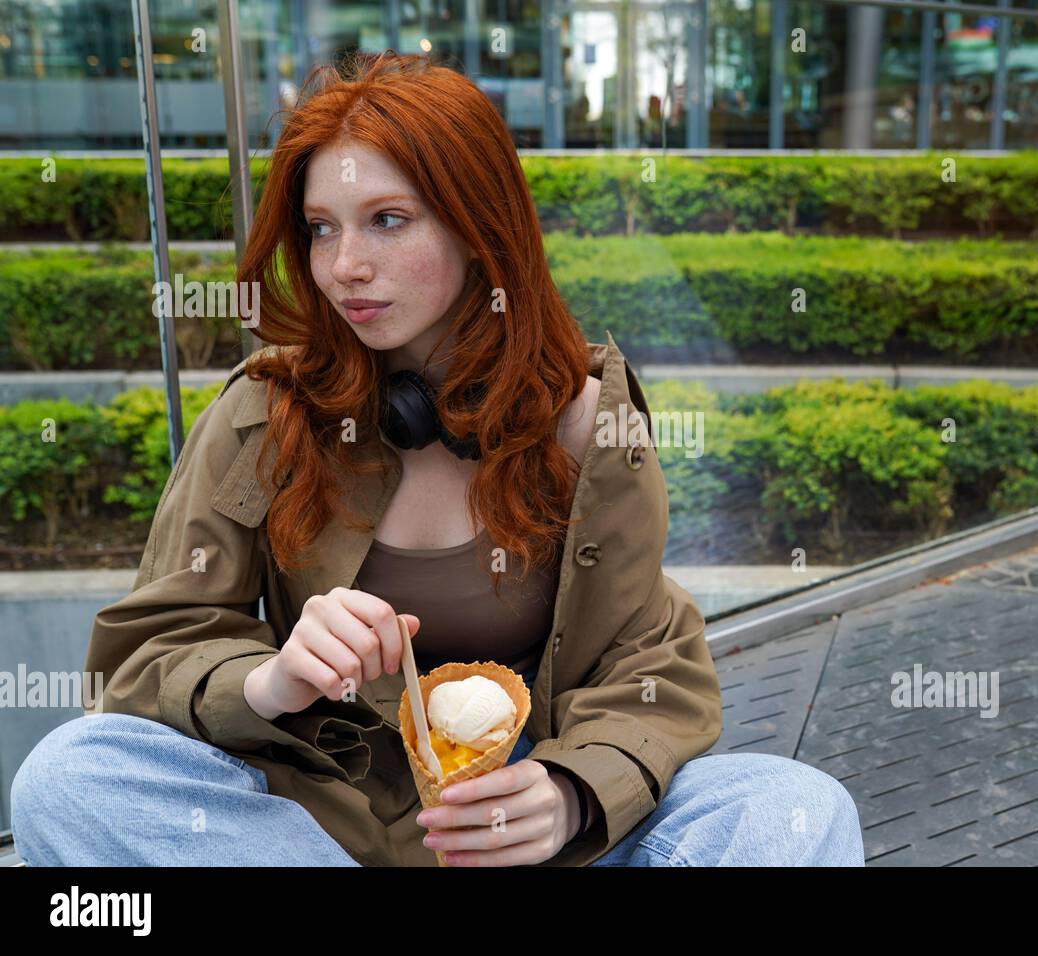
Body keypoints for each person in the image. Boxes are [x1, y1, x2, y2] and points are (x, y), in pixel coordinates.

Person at [10, 51, 864, 867]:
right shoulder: (261, 415)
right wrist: (271, 680)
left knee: (794, 808)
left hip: (523, 829)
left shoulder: (586, 425)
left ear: (477, 224)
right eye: (319, 229)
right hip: (313, 823)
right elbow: (146, 653)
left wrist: (571, 790)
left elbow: (647, 659)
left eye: (389, 220)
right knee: (71, 776)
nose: (346, 268)